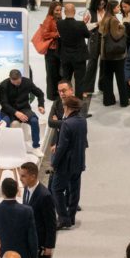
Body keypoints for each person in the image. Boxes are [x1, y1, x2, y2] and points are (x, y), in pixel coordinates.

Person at [20, 163, 57, 258]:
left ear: (33, 176)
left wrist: (49, 246)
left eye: (23, 176)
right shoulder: (27, 189)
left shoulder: (44, 195)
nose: (20, 179)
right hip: (31, 243)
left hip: (42, 245)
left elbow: (51, 223)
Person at [50, 96, 88, 229]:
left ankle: (63, 218)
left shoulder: (67, 124)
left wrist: (54, 163)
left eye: (64, 107)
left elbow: (61, 148)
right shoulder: (83, 121)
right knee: (74, 190)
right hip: (79, 162)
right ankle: (71, 217)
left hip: (65, 165)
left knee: (56, 189)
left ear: (69, 108)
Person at [0, 69, 47, 154]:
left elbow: (40, 93)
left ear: (21, 77)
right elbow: (4, 104)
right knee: (8, 124)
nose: (17, 84)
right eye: (14, 82)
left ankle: (36, 146)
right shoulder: (4, 85)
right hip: (9, 110)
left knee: (34, 121)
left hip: (24, 108)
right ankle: (10, 147)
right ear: (10, 79)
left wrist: (41, 105)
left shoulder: (27, 82)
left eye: (18, 82)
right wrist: (16, 113)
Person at [96, 3, 130, 107]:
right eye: (118, 7)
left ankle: (108, 100)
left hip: (106, 55)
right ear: (113, 8)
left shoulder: (105, 18)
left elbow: (100, 31)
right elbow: (116, 36)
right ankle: (124, 101)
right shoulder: (114, 20)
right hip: (117, 56)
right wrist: (123, 28)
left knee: (107, 78)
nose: (119, 8)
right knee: (121, 78)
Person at [57, 4, 89, 92]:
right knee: (79, 81)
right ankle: (78, 102)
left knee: (66, 80)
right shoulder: (80, 24)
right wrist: (84, 24)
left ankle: (66, 100)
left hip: (66, 57)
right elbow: (88, 35)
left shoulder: (59, 23)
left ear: (64, 12)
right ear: (75, 12)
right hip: (79, 57)